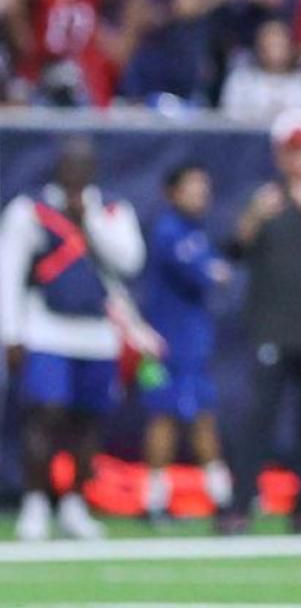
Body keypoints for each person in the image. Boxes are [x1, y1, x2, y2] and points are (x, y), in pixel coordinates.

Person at [0, 137, 146, 541]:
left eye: (83, 165)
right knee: (46, 414)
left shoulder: (113, 209)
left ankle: (74, 503)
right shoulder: (31, 210)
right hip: (46, 327)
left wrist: (90, 222)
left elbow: (130, 261)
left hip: (97, 333)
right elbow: (8, 272)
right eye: (69, 164)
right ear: (58, 166)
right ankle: (35, 502)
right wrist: (10, 333)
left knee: (87, 420)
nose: (76, 172)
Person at [221, 109, 301, 532]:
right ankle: (240, 504)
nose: (297, 161)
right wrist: (255, 217)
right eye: (290, 152)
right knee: (256, 421)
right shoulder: (261, 201)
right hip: (272, 329)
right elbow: (233, 248)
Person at [139, 162, 234, 522]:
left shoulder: (196, 231)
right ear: (172, 191)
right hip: (171, 345)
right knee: (169, 418)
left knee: (197, 418)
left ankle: (217, 497)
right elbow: (205, 273)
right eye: (192, 186)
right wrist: (215, 272)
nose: (201, 193)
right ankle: (158, 501)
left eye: (204, 185)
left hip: (191, 343)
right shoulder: (169, 231)